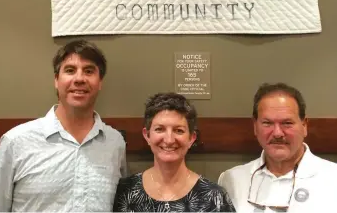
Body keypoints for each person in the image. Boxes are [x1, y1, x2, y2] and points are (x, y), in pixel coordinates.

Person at [0, 40, 128, 212]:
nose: (79, 79)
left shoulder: (115, 143)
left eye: (89, 71)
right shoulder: (16, 142)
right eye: (70, 70)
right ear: (56, 80)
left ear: (100, 82)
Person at [218, 82, 337, 213]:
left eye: (287, 123)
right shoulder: (231, 180)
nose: (277, 133)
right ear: (255, 126)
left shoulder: (332, 177)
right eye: (267, 123)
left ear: (304, 125)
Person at [113, 92, 236, 212]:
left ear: (191, 138)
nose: (169, 140)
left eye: (179, 130)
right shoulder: (123, 192)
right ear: (147, 135)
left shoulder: (214, 198)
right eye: (159, 129)